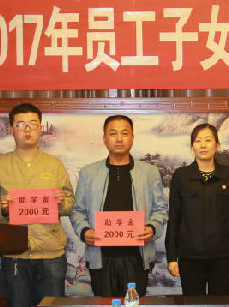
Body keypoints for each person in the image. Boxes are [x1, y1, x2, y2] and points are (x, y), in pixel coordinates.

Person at [0, 102, 75, 307]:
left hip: (51, 252)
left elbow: (70, 202)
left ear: (40, 128)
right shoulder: (0, 165)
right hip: (15, 253)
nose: (27, 130)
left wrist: (62, 202)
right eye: (21, 125)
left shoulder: (54, 165)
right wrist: (2, 208)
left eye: (33, 124)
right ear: (11, 129)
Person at [70, 115, 168, 297]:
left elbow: (160, 209)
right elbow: (77, 211)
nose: (119, 139)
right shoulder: (88, 173)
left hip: (137, 256)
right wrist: (84, 231)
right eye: (113, 133)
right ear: (104, 139)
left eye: (124, 133)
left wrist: (152, 228)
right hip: (100, 256)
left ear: (132, 138)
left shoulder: (149, 172)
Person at [165, 123, 229, 295]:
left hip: (222, 256)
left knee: (219, 306)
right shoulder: (181, 176)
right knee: (193, 306)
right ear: (192, 146)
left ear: (217, 145)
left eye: (208, 140)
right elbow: (174, 218)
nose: (203, 145)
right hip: (189, 257)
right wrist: (172, 257)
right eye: (198, 141)